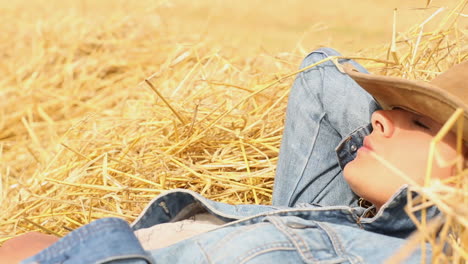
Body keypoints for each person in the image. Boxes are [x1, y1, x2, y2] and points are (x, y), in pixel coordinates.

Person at [2, 48, 466, 263]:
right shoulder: (367, 228)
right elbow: (322, 75)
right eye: (389, 109)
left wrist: (61, 255)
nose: (379, 118)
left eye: (424, 122)